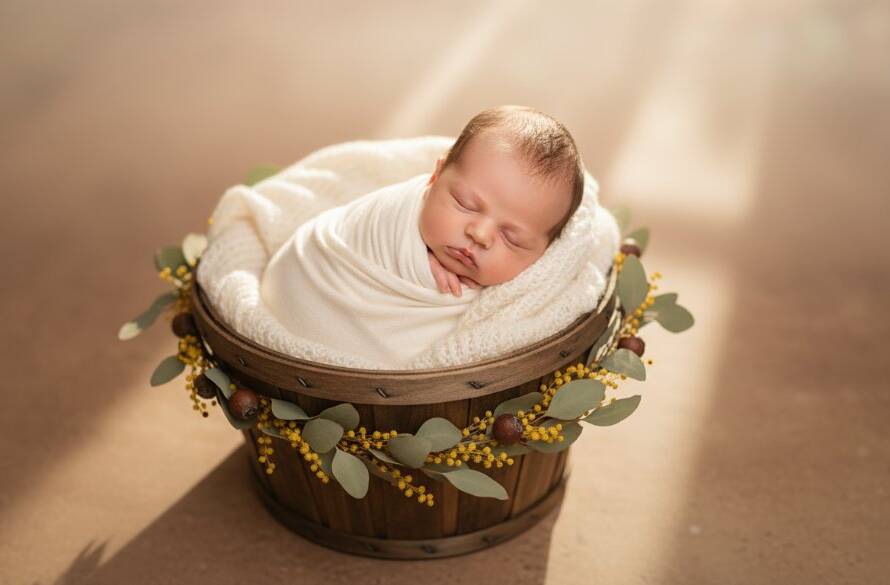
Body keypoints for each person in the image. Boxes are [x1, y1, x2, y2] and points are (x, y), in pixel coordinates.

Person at [420, 105, 584, 296]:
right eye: (465, 204)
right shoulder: (393, 216)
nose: (480, 235)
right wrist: (415, 258)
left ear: (544, 255)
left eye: (512, 239)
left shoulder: (520, 302)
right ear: (436, 176)